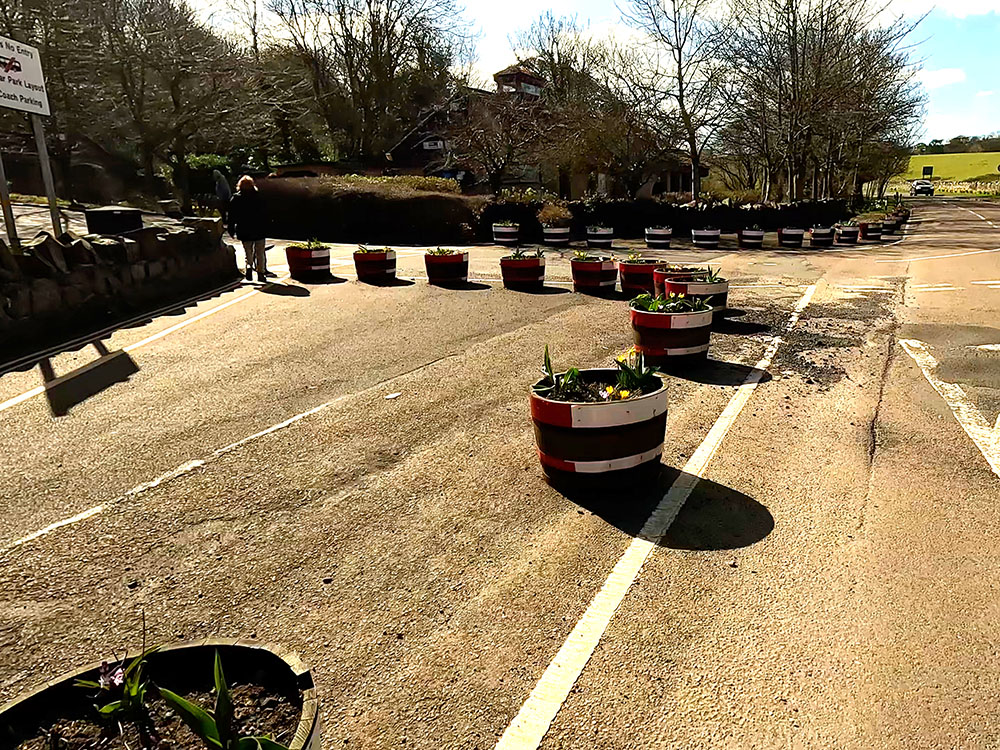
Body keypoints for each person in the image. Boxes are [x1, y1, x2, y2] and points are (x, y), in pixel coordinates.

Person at [228, 175, 268, 282]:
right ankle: (261, 272)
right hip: (259, 228)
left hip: (244, 228)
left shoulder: (236, 198)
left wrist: (231, 229)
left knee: (248, 251)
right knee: (260, 252)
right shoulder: (259, 197)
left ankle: (249, 267)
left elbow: (231, 216)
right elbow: (265, 213)